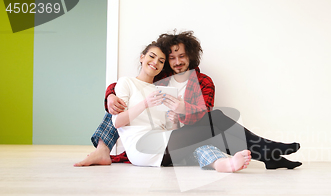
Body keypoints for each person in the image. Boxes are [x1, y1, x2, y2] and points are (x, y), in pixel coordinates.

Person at [75, 31, 301, 170]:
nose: (175, 61)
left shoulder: (202, 81)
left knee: (216, 122)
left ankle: (269, 156)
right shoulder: (159, 79)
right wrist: (111, 93)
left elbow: (202, 115)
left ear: (191, 56)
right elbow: (128, 90)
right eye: (169, 58)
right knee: (218, 122)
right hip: (154, 146)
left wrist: (180, 112)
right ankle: (269, 152)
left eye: (181, 56)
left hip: (178, 137)